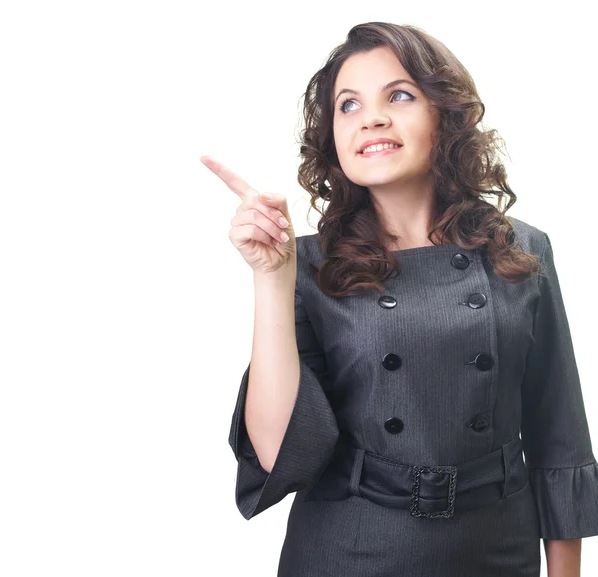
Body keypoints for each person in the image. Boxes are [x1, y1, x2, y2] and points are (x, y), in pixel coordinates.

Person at [201, 21, 598, 577]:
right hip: (351, 550)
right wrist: (271, 276)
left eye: (400, 95)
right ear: (333, 137)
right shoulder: (309, 264)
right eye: (349, 105)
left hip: (497, 550)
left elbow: (559, 436)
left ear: (445, 114)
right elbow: (276, 451)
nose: (372, 118)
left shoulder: (522, 250)